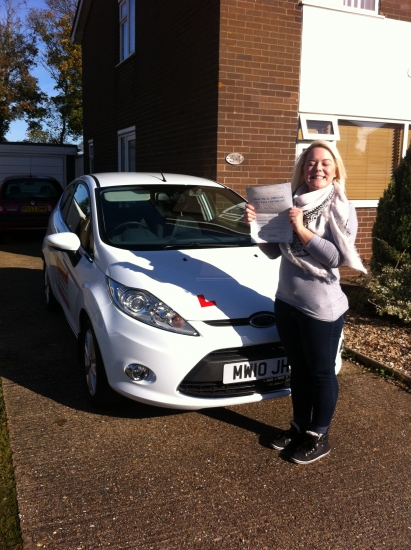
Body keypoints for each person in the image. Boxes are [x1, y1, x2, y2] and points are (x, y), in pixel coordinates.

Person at [245, 140, 366, 464]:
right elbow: (273, 252)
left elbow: (334, 258)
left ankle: (318, 434)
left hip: (321, 308)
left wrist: (300, 228)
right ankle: (299, 427)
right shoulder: (289, 202)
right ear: (303, 168)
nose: (318, 168)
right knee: (297, 370)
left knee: (321, 373)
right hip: (287, 301)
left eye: (325, 162)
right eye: (311, 163)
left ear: (336, 168)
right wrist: (257, 226)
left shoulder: (341, 208)